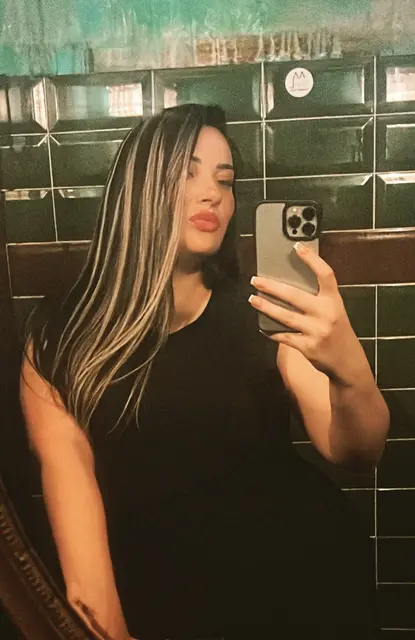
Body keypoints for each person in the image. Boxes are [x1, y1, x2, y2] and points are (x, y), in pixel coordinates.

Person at [20, 104, 390, 640]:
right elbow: (87, 583)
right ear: (138, 188)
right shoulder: (60, 340)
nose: (212, 194)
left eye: (225, 180)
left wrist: (348, 366)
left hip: (305, 589)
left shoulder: (265, 312)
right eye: (187, 173)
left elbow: (357, 450)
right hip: (167, 608)